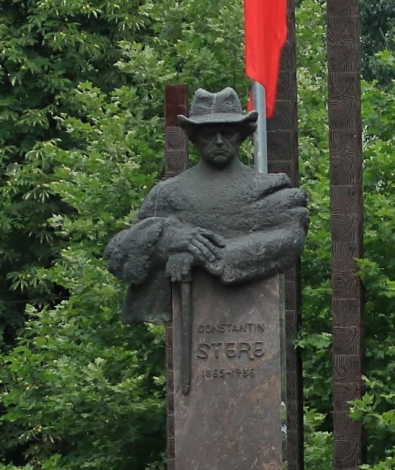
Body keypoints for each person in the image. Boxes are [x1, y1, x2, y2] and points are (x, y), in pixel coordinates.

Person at [104, 87, 308, 331]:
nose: (219, 141)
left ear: (242, 135)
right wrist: (167, 237)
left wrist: (206, 257)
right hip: (194, 327)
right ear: (194, 136)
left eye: (228, 133)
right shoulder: (167, 195)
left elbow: (290, 239)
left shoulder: (271, 190)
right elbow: (120, 255)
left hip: (254, 328)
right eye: (210, 134)